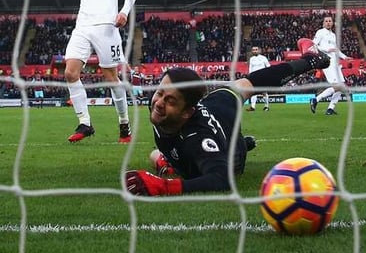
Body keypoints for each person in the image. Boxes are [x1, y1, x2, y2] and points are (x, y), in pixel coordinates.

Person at [123, 38, 329, 196]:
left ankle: (311, 59)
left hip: (229, 151)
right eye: (160, 93)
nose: (159, 103)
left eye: (170, 101)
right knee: (245, 85)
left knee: (189, 165)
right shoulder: (163, 111)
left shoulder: (198, 137)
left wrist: (164, 186)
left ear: (187, 111)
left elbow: (222, 179)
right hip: (216, 106)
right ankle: (311, 59)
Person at [65, 0, 137, 143]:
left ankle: (124, 124)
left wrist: (124, 12)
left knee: (110, 78)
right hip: (83, 25)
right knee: (70, 73)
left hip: (107, 27)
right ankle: (85, 123)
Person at [309, 16, 350, 115]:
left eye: (330, 21)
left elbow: (336, 49)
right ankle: (315, 99)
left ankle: (330, 109)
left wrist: (345, 57)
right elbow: (313, 46)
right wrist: (327, 50)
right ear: (323, 23)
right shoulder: (320, 32)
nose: (328, 23)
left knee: (342, 86)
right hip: (327, 62)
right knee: (338, 86)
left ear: (332, 23)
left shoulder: (333, 35)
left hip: (335, 62)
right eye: (326, 21)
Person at [246, 46, 271, 111]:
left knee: (264, 92)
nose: (255, 51)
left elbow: (268, 67)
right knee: (253, 92)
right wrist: (249, 76)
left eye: (256, 50)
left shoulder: (263, 58)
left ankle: (266, 106)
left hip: (262, 77)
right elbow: (250, 69)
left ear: (259, 50)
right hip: (254, 77)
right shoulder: (251, 59)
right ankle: (252, 107)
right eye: (253, 50)